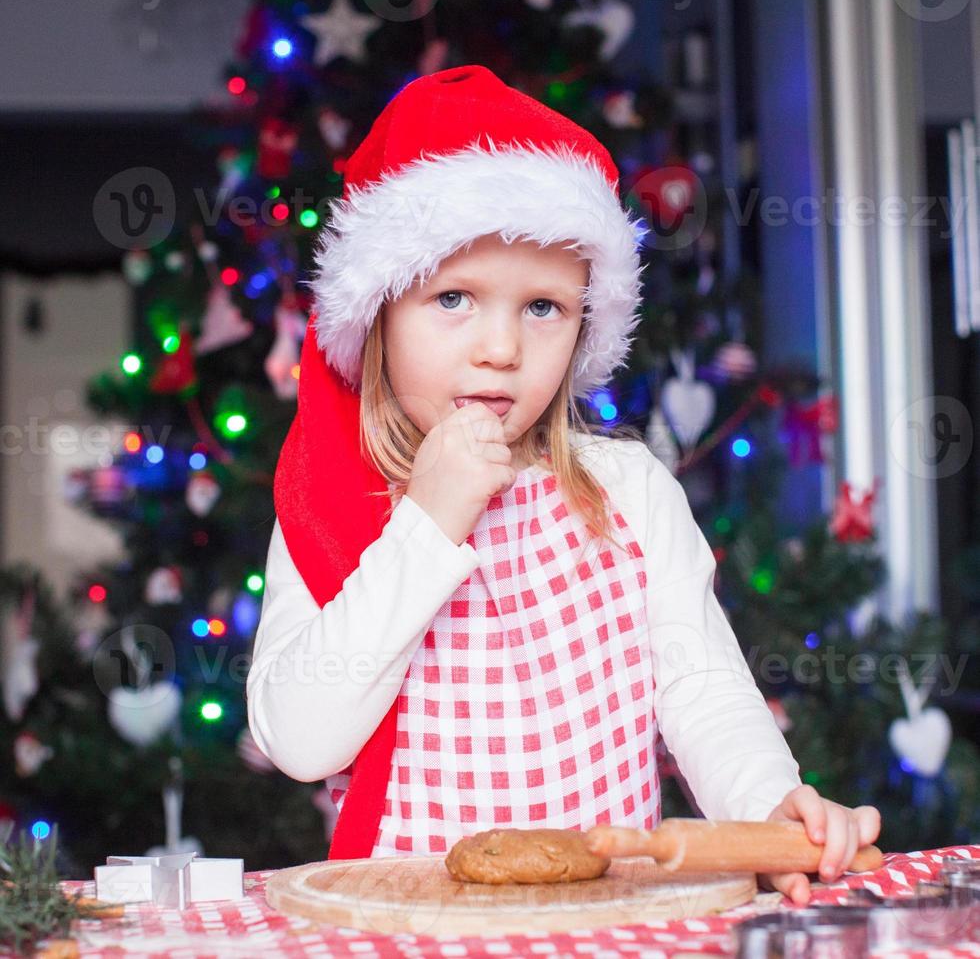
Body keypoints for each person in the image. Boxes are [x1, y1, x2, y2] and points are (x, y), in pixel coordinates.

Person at [245, 64, 880, 904]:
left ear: (586, 321)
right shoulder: (334, 503)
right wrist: (429, 522)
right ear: (379, 315)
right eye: (455, 299)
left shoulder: (628, 489)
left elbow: (701, 688)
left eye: (542, 307)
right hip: (412, 931)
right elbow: (300, 738)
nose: (501, 348)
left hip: (607, 926)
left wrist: (767, 810)